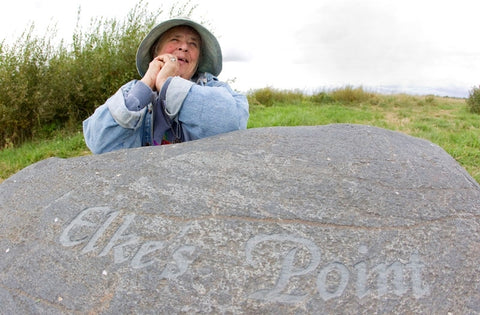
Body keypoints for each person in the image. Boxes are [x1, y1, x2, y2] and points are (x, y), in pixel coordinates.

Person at [83, 17, 249, 154]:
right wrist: (147, 84)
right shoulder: (132, 92)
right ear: (157, 52)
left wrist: (166, 84)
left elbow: (234, 124)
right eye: (175, 40)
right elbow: (98, 142)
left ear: (198, 60)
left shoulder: (214, 88)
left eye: (193, 44)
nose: (184, 47)